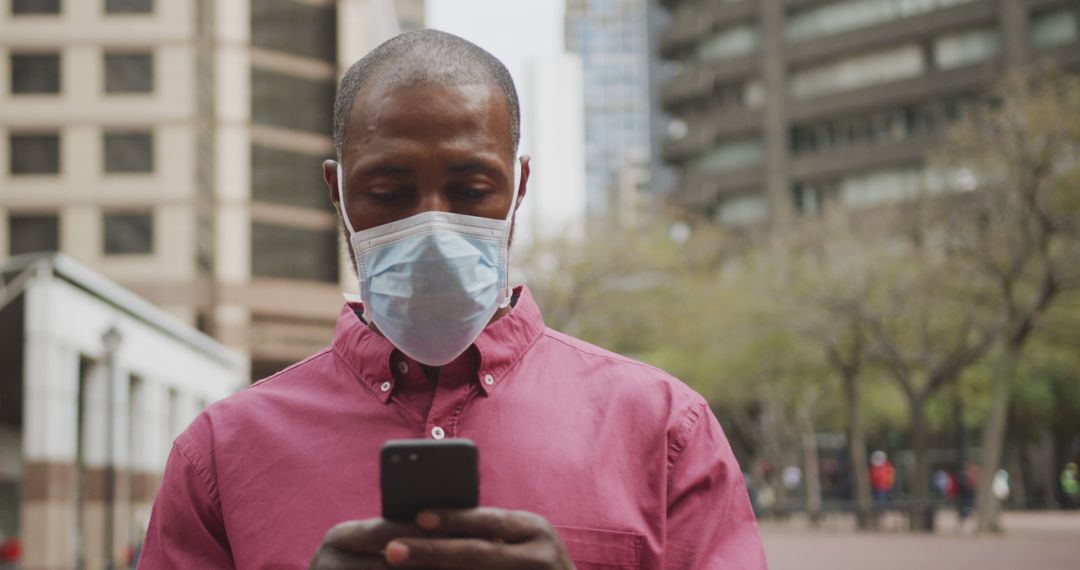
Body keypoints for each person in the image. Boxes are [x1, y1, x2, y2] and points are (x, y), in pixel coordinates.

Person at [137, 30, 764, 569]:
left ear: (518, 186)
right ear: (338, 192)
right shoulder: (222, 455)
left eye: (470, 189)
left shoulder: (663, 432)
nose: (432, 227)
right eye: (388, 191)